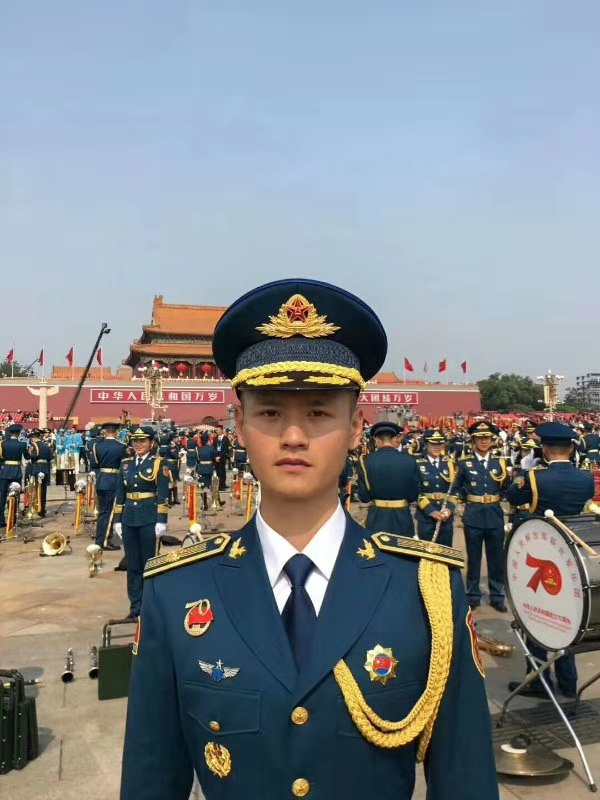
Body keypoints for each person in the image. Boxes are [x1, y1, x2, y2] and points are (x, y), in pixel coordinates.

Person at [121, 279, 498, 800]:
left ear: (357, 428)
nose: (293, 437)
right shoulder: (176, 591)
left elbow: (465, 780)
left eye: (319, 412)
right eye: (270, 412)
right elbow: (150, 779)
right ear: (239, 425)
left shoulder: (426, 591)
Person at [506, 421, 594, 698]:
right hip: (573, 556)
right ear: (571, 449)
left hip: (542, 552)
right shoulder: (586, 477)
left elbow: (512, 495)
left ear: (544, 449)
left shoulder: (534, 477)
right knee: (568, 617)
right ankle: (568, 684)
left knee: (536, 615)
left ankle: (539, 682)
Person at [113, 426, 170, 620]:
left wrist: (161, 520)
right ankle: (135, 606)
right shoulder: (126, 464)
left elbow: (163, 494)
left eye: (143, 441)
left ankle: (149, 606)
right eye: (135, 441)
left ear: (151, 443)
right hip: (129, 519)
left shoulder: (158, 463)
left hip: (148, 518)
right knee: (133, 565)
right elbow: (120, 494)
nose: (138, 445)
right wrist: (117, 520)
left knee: (149, 564)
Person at [456, 421, 509, 612]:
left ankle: (497, 595)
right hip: (474, 515)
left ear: (492, 440)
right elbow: (457, 488)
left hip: (494, 514)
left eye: (487, 438)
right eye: (480, 438)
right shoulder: (464, 464)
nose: (484, 441)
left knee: (496, 558)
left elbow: (506, 488)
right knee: (474, 558)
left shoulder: (500, 463)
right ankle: (473, 595)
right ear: (473, 441)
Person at [357, 421, 419, 535]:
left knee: (376, 546)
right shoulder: (410, 460)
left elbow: (364, 496)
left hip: (377, 517)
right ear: (394, 438)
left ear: (377, 440)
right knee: (401, 546)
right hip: (402, 517)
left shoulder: (365, 461)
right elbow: (413, 495)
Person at [414, 430, 460, 547]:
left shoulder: (449, 463)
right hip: (425, 516)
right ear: (426, 444)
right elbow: (416, 491)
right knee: (427, 552)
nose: (437, 447)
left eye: (440, 444)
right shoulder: (417, 463)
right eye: (433, 444)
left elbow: (455, 489)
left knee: (445, 552)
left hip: (445, 516)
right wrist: (431, 511)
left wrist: (449, 509)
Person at [90, 422, 126, 551]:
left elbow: (94, 464)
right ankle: (105, 541)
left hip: (101, 480)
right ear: (116, 432)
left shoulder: (97, 446)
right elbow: (124, 465)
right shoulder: (121, 447)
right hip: (113, 480)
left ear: (104, 432)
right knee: (110, 513)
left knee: (103, 512)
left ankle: (100, 539)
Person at [0, 424, 29, 527]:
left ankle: (1, 520)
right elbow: (27, 456)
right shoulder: (22, 444)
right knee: (15, 496)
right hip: (16, 472)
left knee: (2, 497)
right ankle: (12, 519)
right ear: (18, 434)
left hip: (4, 472)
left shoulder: (2, 444)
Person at [28, 430, 53, 517]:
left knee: (36, 489)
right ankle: (42, 509)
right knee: (43, 490)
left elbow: (33, 456)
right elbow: (50, 457)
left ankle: (38, 508)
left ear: (33, 439)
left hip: (37, 468)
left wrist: (30, 454)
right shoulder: (46, 445)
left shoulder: (34, 445)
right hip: (45, 468)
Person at [195, 432, 215, 511]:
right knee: (212, 486)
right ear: (207, 440)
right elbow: (213, 458)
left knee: (202, 488)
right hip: (209, 469)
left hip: (201, 469)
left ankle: (205, 504)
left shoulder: (198, 449)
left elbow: (197, 460)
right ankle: (214, 502)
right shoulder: (211, 448)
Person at [213, 424, 231, 490]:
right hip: (216, 458)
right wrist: (215, 457)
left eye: (218, 430)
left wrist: (220, 457)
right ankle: (219, 486)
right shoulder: (215, 438)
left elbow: (225, 449)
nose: (217, 431)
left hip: (222, 457)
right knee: (218, 472)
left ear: (221, 430)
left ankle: (223, 484)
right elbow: (214, 448)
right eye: (216, 430)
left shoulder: (225, 438)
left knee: (222, 471)